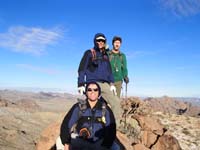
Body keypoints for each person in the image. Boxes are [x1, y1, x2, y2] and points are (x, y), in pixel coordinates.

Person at [77, 33, 122, 123]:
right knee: (92, 104)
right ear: (95, 41)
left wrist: (112, 84)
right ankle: (83, 123)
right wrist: (81, 83)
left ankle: (115, 127)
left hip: (105, 84)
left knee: (116, 102)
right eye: (98, 40)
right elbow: (82, 68)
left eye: (102, 41)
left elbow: (109, 71)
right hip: (92, 82)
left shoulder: (105, 56)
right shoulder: (89, 53)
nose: (100, 42)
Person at [60, 82, 116, 150]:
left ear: (99, 92)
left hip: (99, 143)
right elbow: (66, 124)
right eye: (89, 89)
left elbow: (111, 129)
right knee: (59, 143)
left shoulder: (105, 109)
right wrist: (66, 142)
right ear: (86, 92)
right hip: (80, 141)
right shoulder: (78, 107)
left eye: (95, 90)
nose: (92, 92)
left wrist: (106, 145)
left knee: (116, 148)